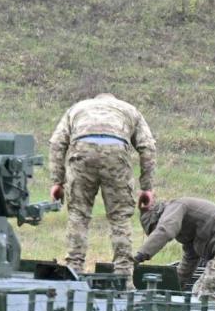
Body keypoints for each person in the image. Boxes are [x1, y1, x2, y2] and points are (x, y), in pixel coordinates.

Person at [49, 93, 157, 282]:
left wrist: (57, 182)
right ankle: (123, 277)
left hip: (82, 150)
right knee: (120, 219)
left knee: (78, 215)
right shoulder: (129, 110)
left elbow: (57, 143)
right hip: (116, 154)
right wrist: (146, 188)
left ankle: (74, 272)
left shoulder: (77, 108)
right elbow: (147, 147)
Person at [135, 197, 215, 295]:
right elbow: (190, 259)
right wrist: (175, 287)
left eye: (155, 229)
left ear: (159, 218)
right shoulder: (186, 226)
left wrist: (138, 257)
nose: (156, 233)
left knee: (204, 294)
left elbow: (165, 231)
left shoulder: (176, 206)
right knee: (200, 294)